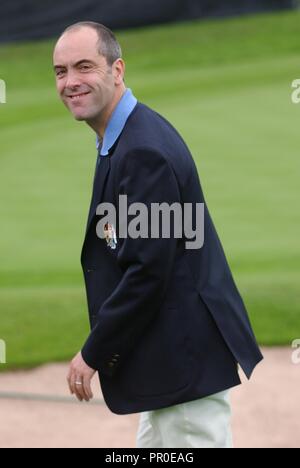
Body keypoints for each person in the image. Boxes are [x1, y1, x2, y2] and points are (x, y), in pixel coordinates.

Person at [53, 21, 263, 448]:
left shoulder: (142, 151)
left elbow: (148, 272)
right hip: (170, 359)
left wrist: (93, 352)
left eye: (83, 67)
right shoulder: (122, 139)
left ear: (117, 70)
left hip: (184, 363)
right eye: (60, 71)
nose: (71, 82)